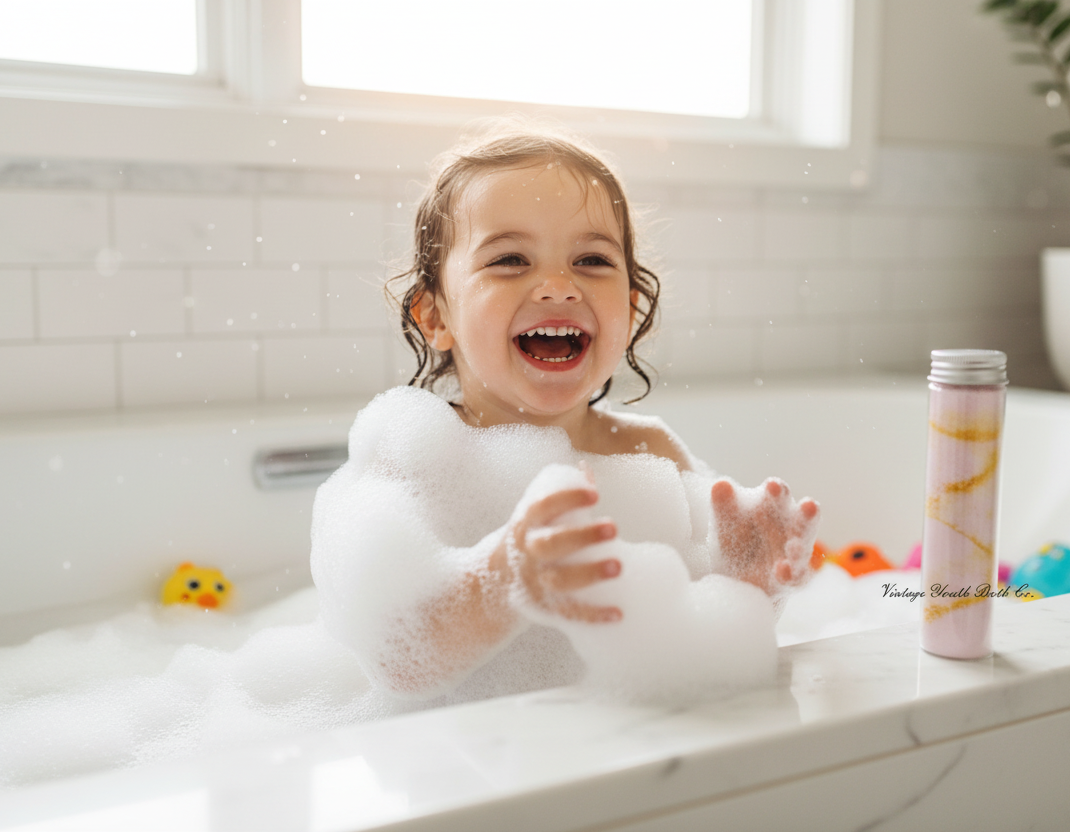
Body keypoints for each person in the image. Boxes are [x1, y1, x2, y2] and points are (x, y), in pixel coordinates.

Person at [310, 121, 819, 703]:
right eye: (509, 260)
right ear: (436, 318)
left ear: (631, 306)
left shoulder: (649, 452)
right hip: (472, 758)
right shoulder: (414, 457)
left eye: (592, 261)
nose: (557, 286)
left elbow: (706, 641)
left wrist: (748, 581)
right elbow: (397, 666)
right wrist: (502, 581)